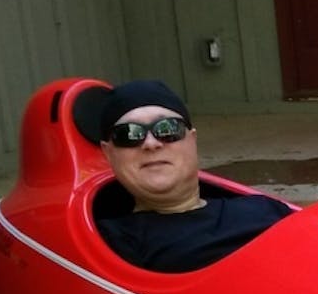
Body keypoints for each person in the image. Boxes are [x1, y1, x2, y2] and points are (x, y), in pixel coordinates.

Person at [95, 80, 294, 273]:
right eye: (129, 134)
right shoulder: (110, 243)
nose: (151, 144)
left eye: (168, 129)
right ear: (108, 153)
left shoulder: (265, 209)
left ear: (192, 140)